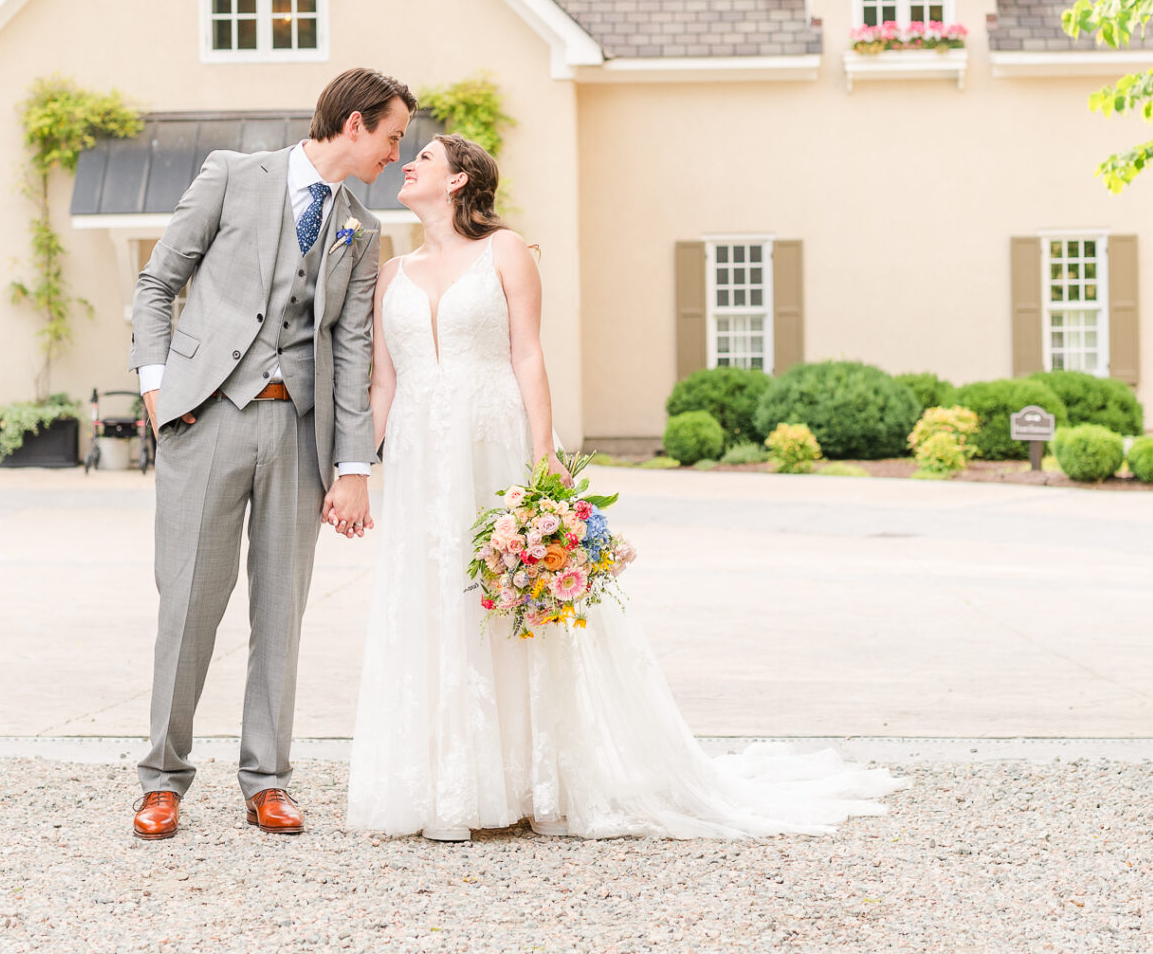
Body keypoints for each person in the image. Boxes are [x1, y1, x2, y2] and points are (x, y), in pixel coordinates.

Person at [344, 133, 896, 840]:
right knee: (430, 600)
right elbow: (384, 382)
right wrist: (355, 467)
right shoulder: (392, 274)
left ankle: (522, 780)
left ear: (457, 182)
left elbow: (527, 354)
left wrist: (545, 464)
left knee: (506, 605)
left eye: (424, 157)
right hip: (421, 457)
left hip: (493, 443)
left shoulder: (505, 251)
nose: (408, 164)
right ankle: (446, 782)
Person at [125, 67, 412, 840]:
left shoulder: (363, 226)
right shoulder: (230, 176)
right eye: (390, 136)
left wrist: (354, 468)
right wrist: (158, 391)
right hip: (206, 418)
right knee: (187, 606)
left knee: (281, 611)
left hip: (298, 434)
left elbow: (352, 350)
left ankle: (268, 779)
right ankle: (161, 779)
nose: (395, 152)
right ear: (354, 123)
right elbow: (157, 284)